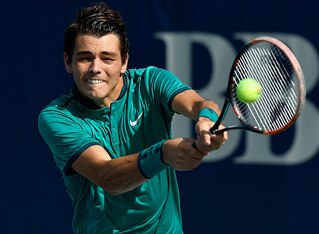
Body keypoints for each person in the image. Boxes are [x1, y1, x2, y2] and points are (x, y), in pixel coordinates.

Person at [38, 2, 228, 233]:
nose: (96, 67)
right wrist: (165, 153)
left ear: (124, 62)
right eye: (85, 57)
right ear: (68, 61)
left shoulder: (151, 82)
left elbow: (199, 104)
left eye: (107, 58)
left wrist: (206, 119)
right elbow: (106, 176)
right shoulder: (58, 117)